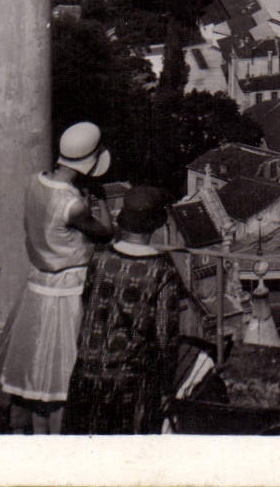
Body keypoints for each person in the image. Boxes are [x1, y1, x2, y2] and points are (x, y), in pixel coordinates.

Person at [0, 122, 114, 434]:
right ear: (90, 164)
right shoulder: (73, 205)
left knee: (34, 368)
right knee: (61, 373)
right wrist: (100, 201)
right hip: (68, 291)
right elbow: (105, 233)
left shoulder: (35, 182)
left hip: (37, 286)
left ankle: (34, 433)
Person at [64, 185, 187, 435]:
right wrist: (166, 388)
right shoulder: (162, 270)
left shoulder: (100, 258)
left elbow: (87, 306)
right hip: (130, 382)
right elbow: (165, 337)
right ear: (156, 225)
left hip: (86, 372)